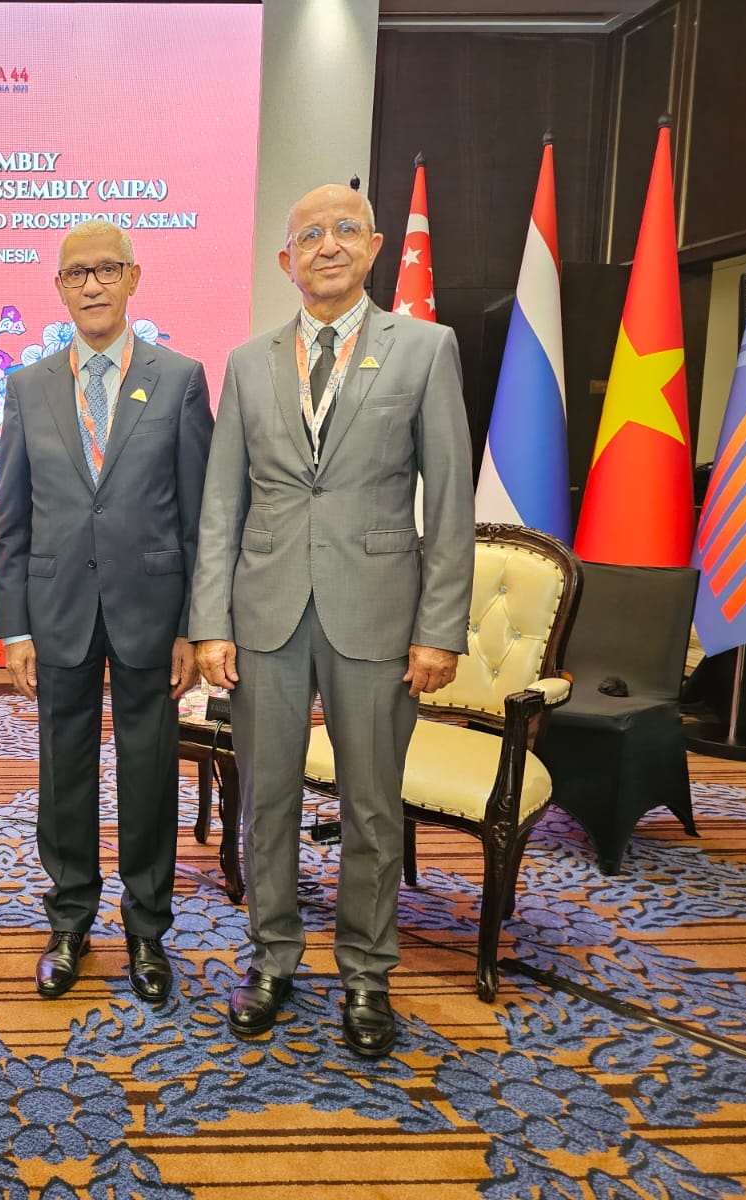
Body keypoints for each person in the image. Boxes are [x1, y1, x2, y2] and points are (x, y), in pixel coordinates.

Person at [190, 184, 475, 1057]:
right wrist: (210, 621)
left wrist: (440, 629)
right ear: (286, 260)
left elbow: (450, 500)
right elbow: (221, 505)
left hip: (379, 615)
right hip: (265, 615)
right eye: (309, 234)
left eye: (345, 230)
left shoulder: (425, 349)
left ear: (375, 246)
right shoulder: (248, 363)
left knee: (372, 808)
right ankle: (272, 957)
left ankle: (366, 974)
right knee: (266, 801)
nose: (327, 245)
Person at [0, 219, 213, 1004]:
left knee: (149, 775)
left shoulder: (180, 378)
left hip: (153, 611)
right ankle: (70, 921)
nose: (91, 285)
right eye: (76, 273)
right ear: (59, 288)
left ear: (133, 278)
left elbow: (199, 515)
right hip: (56, 610)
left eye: (106, 270)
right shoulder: (27, 386)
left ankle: (147, 929)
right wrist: (15, 626)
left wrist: (192, 625)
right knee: (64, 773)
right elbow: (12, 517)